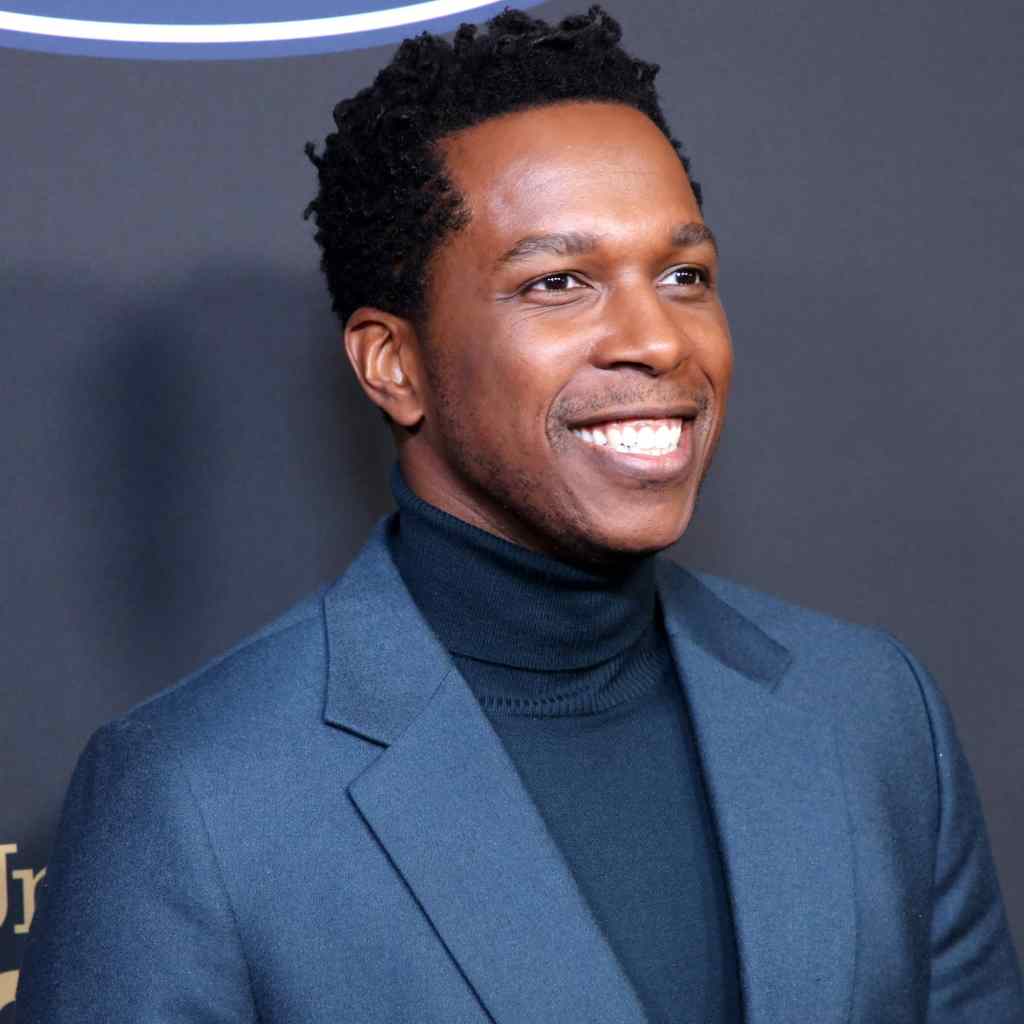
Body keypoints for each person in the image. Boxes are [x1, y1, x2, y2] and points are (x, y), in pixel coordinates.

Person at [15, 7, 1023, 1022]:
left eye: (683, 276)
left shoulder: (870, 711)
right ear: (392, 364)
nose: (658, 340)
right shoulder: (195, 795)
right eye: (558, 283)